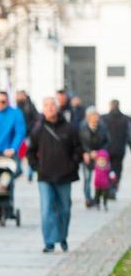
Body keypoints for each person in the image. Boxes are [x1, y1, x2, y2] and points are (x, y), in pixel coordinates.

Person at [28, 96, 83, 253]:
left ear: (58, 108)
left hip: (65, 175)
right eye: (46, 105)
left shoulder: (69, 128)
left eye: (53, 105)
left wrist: (72, 164)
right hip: (45, 176)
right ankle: (49, 241)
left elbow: (78, 149)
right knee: (46, 209)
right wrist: (36, 166)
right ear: (43, 109)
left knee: (64, 208)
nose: (50, 108)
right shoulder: (38, 129)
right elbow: (30, 151)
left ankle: (62, 236)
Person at [78, 106, 109, 209]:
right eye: (93, 115)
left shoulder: (103, 127)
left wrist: (100, 152)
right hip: (87, 156)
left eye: (96, 115)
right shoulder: (82, 127)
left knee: (100, 178)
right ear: (88, 117)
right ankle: (88, 199)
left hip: (100, 157)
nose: (95, 117)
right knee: (87, 178)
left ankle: (98, 198)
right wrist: (86, 152)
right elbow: (79, 142)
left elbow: (107, 141)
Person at [102, 100, 130, 196]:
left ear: (110, 106)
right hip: (119, 149)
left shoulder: (104, 118)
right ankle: (113, 187)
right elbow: (129, 135)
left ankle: (109, 187)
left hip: (106, 149)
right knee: (117, 169)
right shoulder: (126, 119)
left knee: (106, 169)